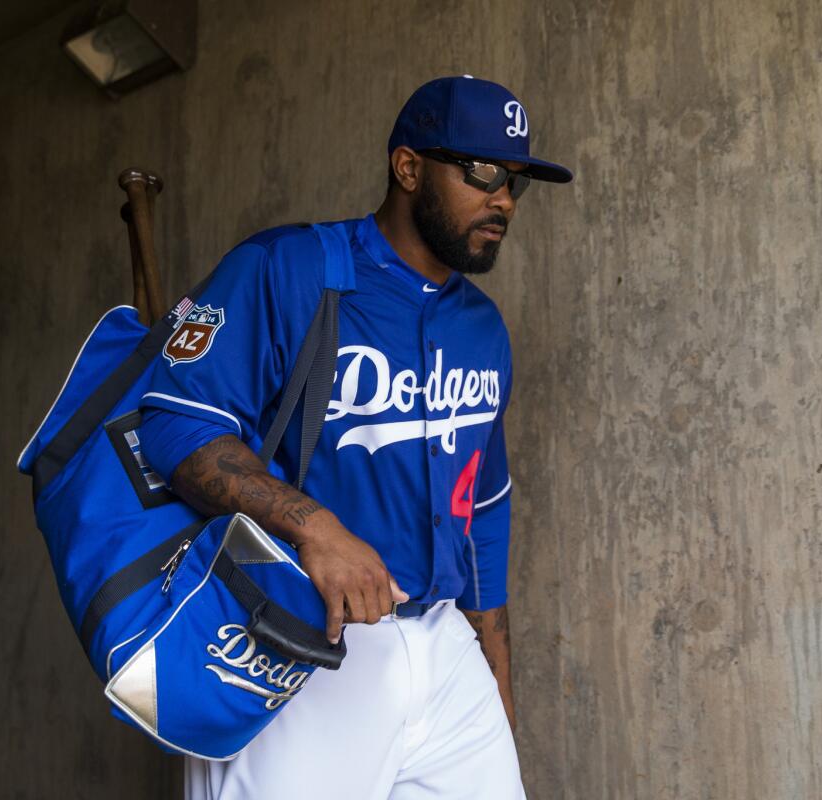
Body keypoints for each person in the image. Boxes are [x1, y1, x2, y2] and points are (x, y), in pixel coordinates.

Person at [137, 75, 573, 799]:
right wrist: (318, 530)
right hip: (301, 638)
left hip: (443, 646)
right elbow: (174, 425)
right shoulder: (288, 268)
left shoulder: (483, 328)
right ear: (408, 168)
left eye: (517, 181)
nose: (503, 198)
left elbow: (483, 510)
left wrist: (493, 677)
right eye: (484, 171)